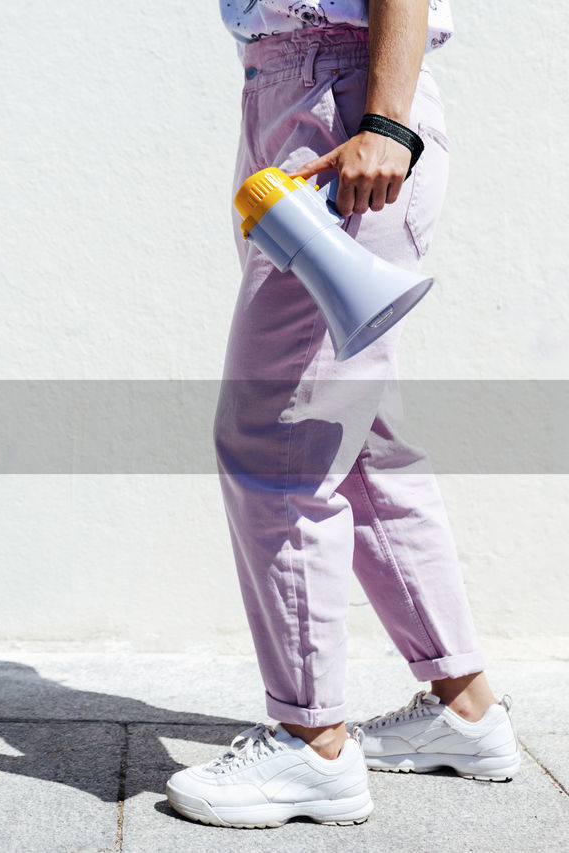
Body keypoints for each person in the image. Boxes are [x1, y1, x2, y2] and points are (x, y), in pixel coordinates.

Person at [165, 0, 522, 829]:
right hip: (299, 97)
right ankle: (464, 706)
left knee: (277, 435)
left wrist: (386, 125)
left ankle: (309, 743)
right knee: (360, 444)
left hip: (342, 110)